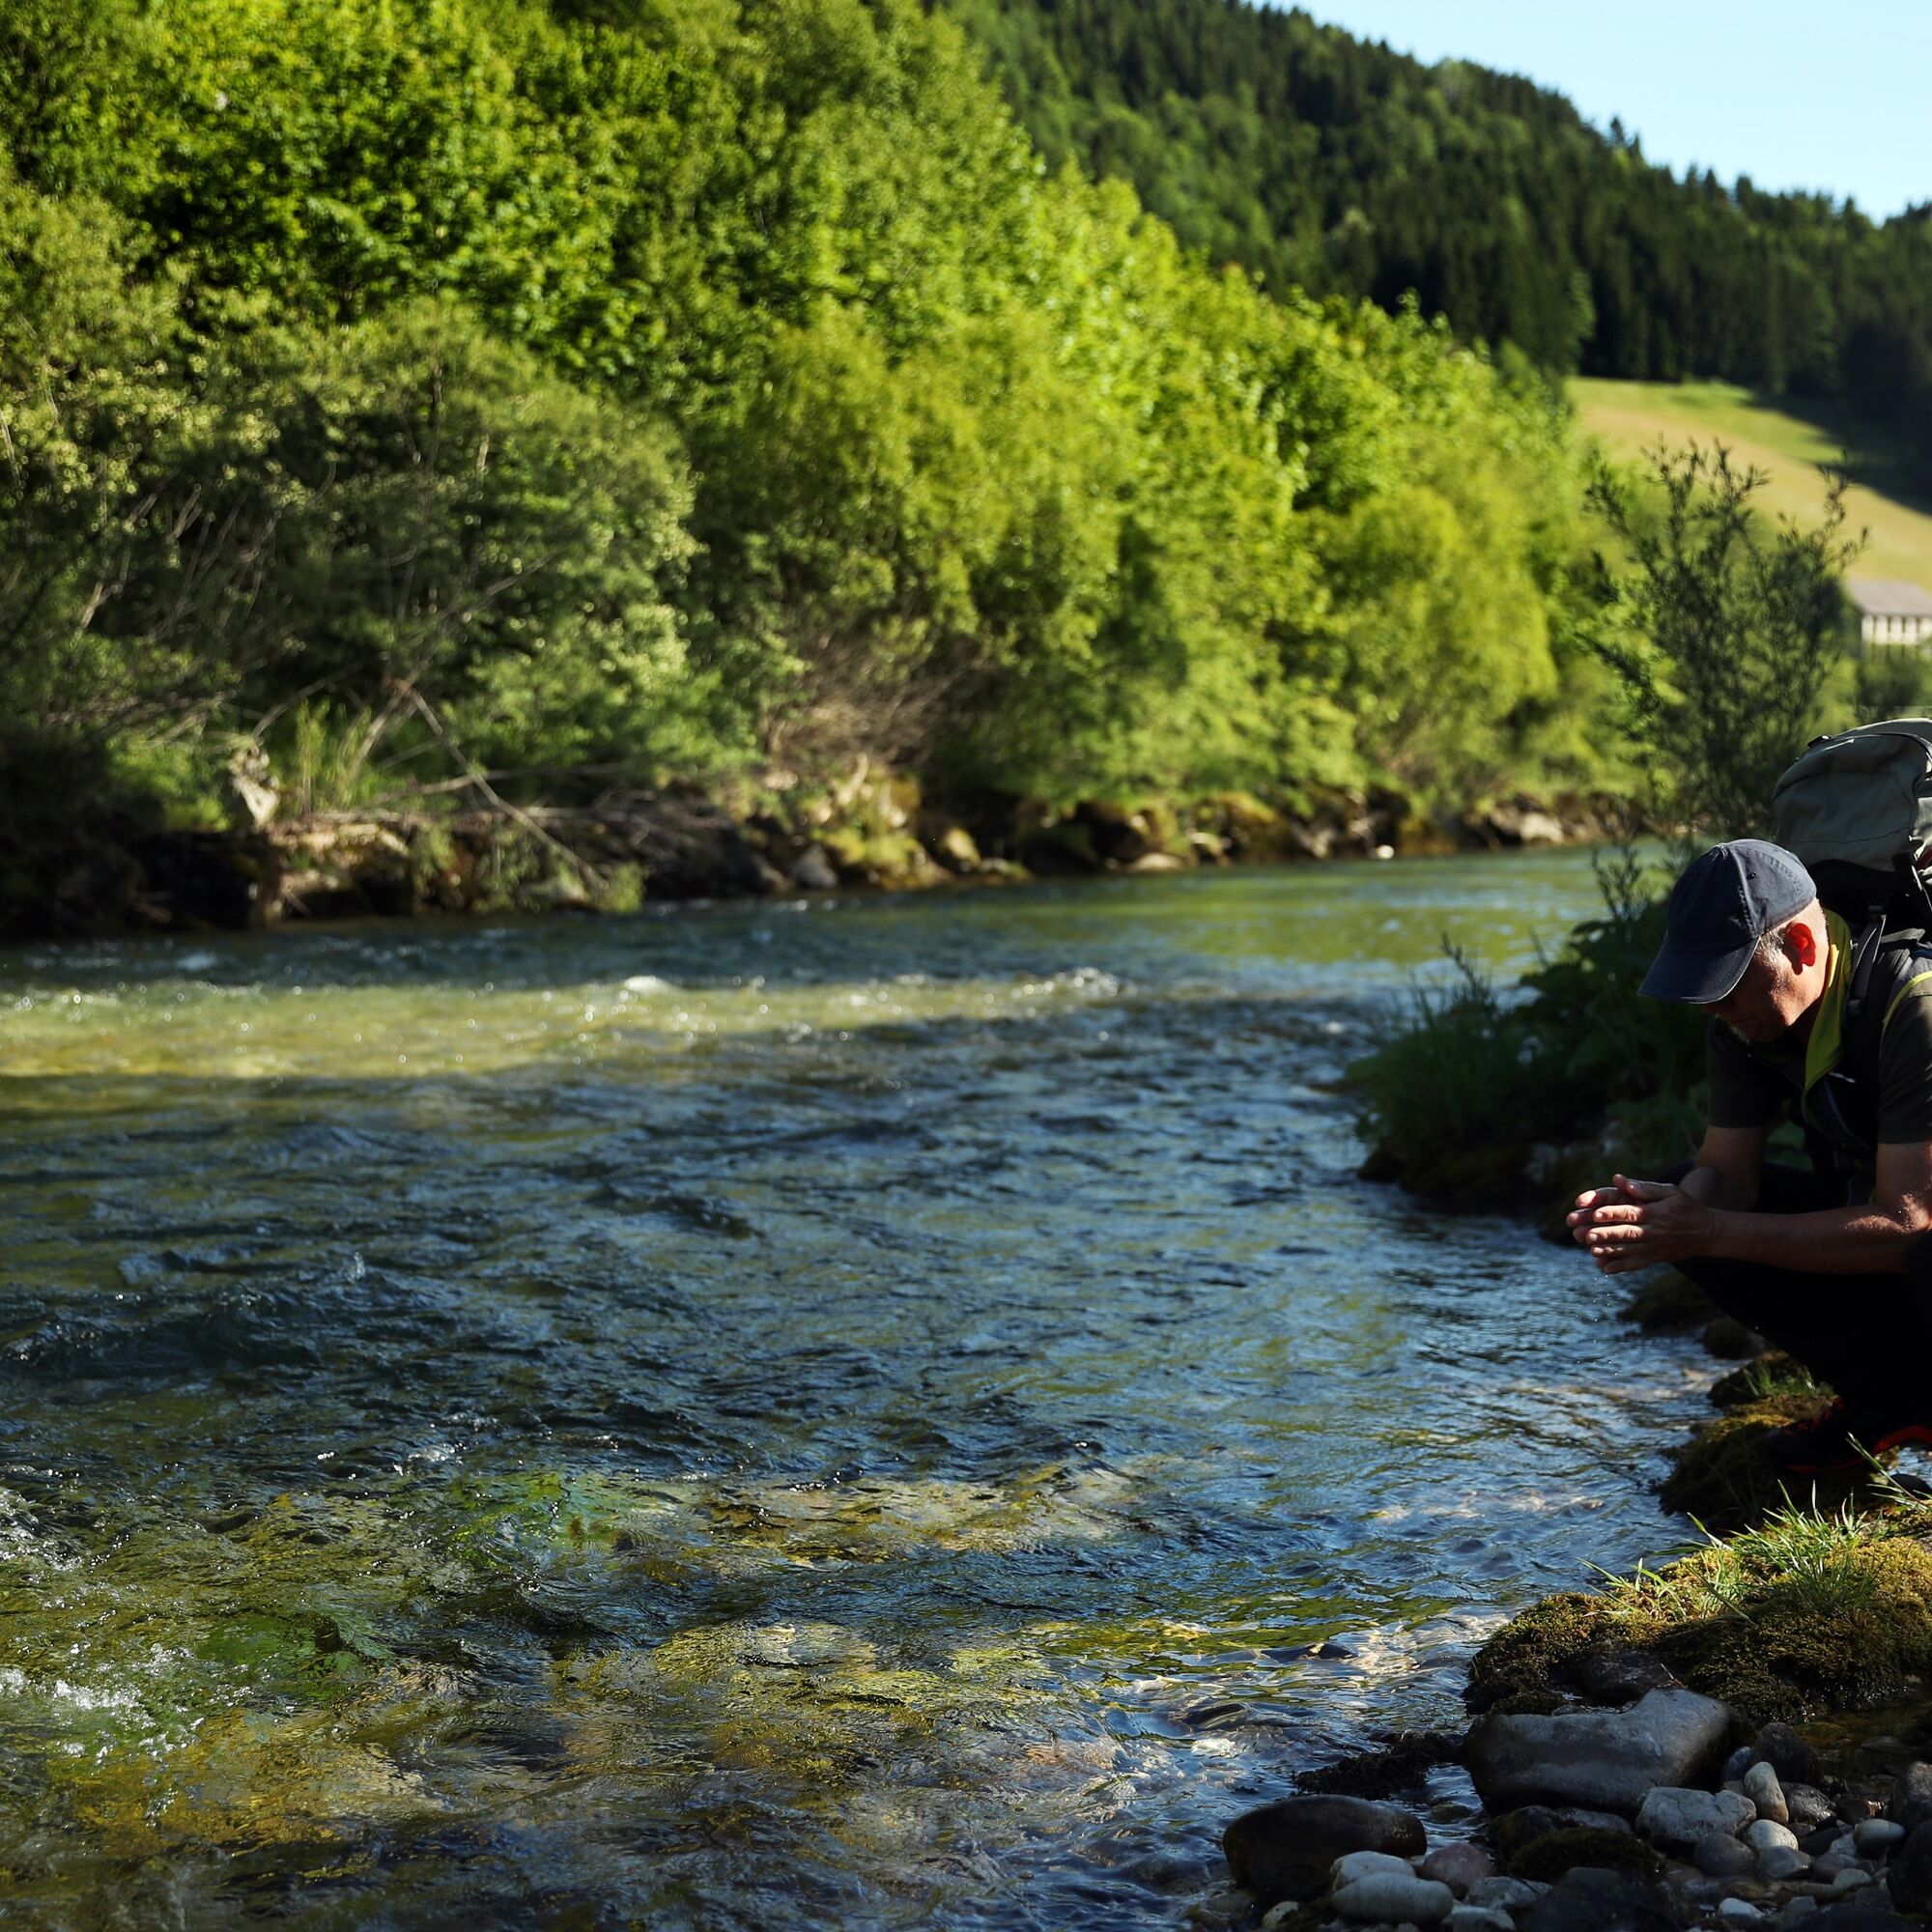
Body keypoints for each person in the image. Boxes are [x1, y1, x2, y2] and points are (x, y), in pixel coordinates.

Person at [1568, 838, 1932, 1473]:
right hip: (1894, 1226)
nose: (1714, 1007)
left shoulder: (1916, 1005)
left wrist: (1708, 1230)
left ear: (1802, 946)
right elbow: (1726, 1178)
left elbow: (1908, 1226)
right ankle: (1891, 1401)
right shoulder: (1744, 1026)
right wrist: (1664, 1218)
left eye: (1729, 986)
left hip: (1918, 1235)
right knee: (1686, 1184)